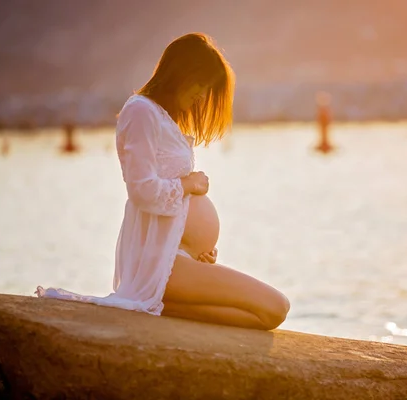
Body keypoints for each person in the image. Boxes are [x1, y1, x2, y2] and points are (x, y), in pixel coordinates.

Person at [36, 33, 290, 330]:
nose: (202, 96)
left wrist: (197, 247)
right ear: (182, 73)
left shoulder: (164, 118)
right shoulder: (141, 110)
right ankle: (160, 302)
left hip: (180, 257)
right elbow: (142, 190)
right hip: (160, 262)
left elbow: (173, 207)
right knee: (275, 307)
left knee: (265, 316)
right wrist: (189, 185)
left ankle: (165, 307)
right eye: (201, 85)